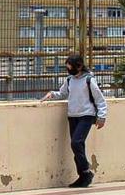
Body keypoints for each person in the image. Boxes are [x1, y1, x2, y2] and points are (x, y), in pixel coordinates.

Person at [42, 53, 107, 188]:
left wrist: (102, 117)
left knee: (76, 143)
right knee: (77, 147)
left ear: (79, 66)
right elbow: (63, 93)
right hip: (73, 116)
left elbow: (100, 100)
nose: (68, 70)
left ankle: (86, 172)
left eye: (70, 67)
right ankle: (83, 176)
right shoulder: (70, 80)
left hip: (86, 116)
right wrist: (52, 94)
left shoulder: (89, 80)